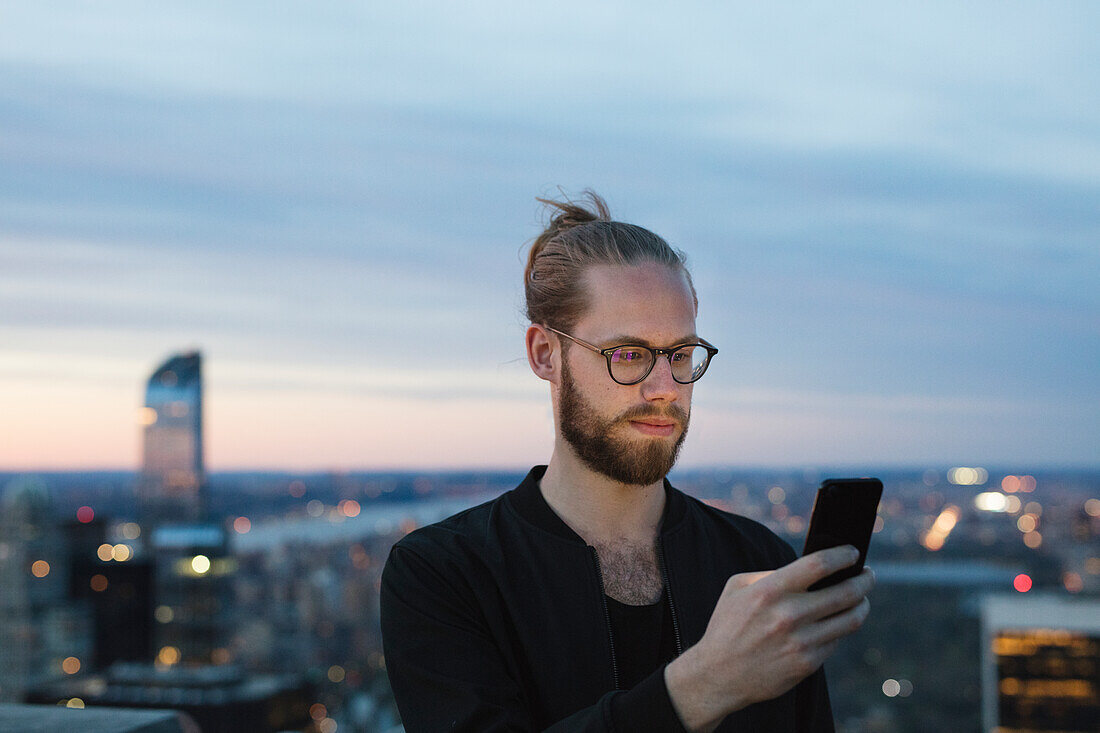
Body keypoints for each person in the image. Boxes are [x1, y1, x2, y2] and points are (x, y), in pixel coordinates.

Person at [380, 191, 874, 731]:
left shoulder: (759, 563)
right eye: (629, 355)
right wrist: (704, 683)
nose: (665, 389)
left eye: (681, 355)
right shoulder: (445, 574)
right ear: (546, 354)